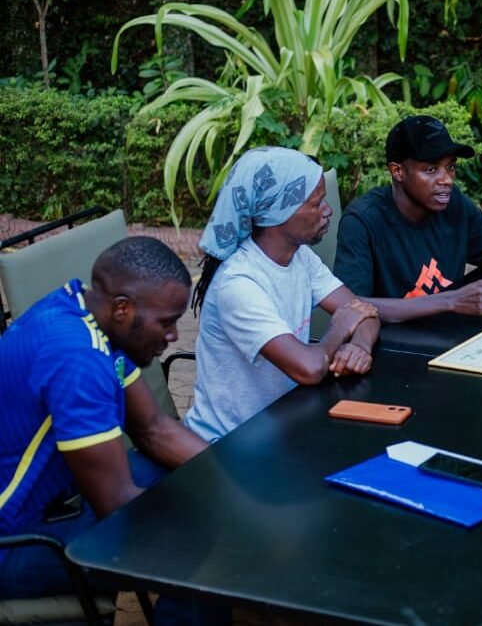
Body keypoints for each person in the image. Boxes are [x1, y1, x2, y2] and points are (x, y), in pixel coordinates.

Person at [0, 237, 208, 604]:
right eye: (168, 322)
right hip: (13, 543)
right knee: (191, 543)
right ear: (123, 309)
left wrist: (235, 477)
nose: (174, 335)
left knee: (190, 480)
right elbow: (116, 503)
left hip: (49, 506)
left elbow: (152, 428)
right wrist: (223, 516)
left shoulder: (85, 311)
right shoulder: (77, 360)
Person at [185, 147, 381, 442]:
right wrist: (340, 329)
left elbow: (363, 312)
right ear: (279, 213)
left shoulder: (300, 256)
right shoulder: (238, 283)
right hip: (229, 443)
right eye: (316, 203)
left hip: (285, 420)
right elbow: (310, 368)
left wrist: (361, 347)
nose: (327, 210)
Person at [334, 115, 482, 322]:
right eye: (431, 169)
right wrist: (451, 301)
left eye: (450, 167)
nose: (447, 179)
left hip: (448, 335)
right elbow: (350, 305)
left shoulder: (453, 204)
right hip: (393, 344)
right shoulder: (363, 221)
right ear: (397, 171)